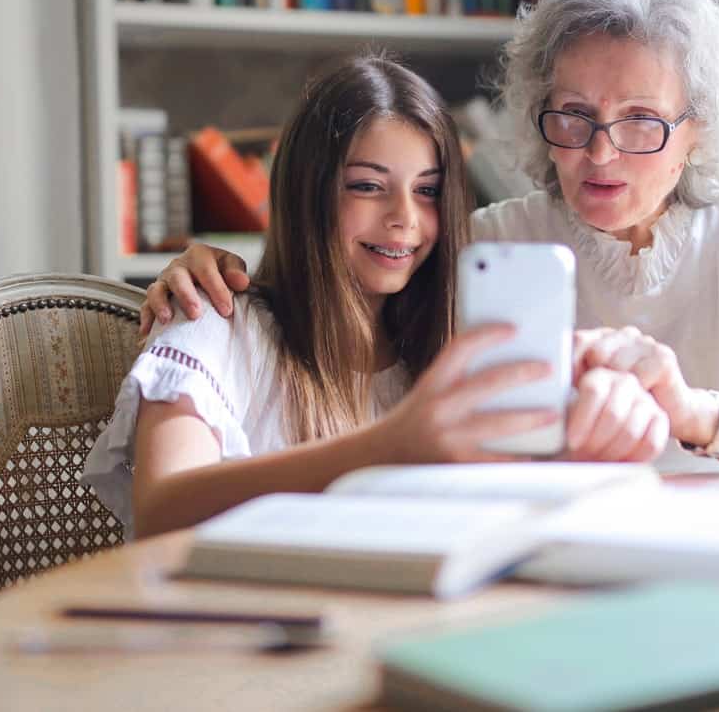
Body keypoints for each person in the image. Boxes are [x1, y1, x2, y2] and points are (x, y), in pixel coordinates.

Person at [140, 0, 719, 475]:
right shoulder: (486, 244)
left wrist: (692, 412)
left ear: (699, 129)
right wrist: (209, 270)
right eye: (574, 115)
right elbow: (340, 296)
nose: (599, 153)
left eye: (641, 121)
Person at [82, 55, 668, 539]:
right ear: (307, 192)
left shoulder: (445, 350)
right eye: (367, 187)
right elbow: (160, 511)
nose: (404, 221)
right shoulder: (214, 320)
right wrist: (388, 446)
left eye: (428, 191)